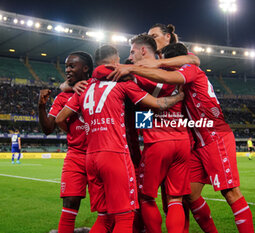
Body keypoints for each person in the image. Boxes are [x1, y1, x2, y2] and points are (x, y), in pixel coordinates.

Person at [108, 42, 254, 233]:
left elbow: (183, 66)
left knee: (230, 192)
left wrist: (134, 69)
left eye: (133, 51)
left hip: (213, 135)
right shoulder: (169, 79)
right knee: (188, 196)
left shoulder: (187, 70)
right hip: (190, 141)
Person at [55, 47, 185, 233]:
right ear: (116, 62)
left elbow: (60, 118)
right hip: (120, 153)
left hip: (92, 156)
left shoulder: (84, 87)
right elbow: (155, 105)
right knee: (129, 213)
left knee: (105, 217)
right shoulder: (126, 84)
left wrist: (78, 130)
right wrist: (180, 96)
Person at [128, 34, 191, 233]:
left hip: (158, 141)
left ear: (143, 51)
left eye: (132, 51)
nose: (130, 57)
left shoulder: (138, 74)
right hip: (181, 140)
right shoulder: (177, 71)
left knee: (146, 196)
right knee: (175, 200)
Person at [38, 51, 93, 233]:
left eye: (72, 66)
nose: (67, 70)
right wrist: (41, 106)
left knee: (107, 207)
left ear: (85, 68)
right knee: (70, 203)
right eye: (66, 67)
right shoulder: (62, 97)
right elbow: (48, 128)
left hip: (99, 154)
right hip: (76, 155)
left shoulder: (97, 88)